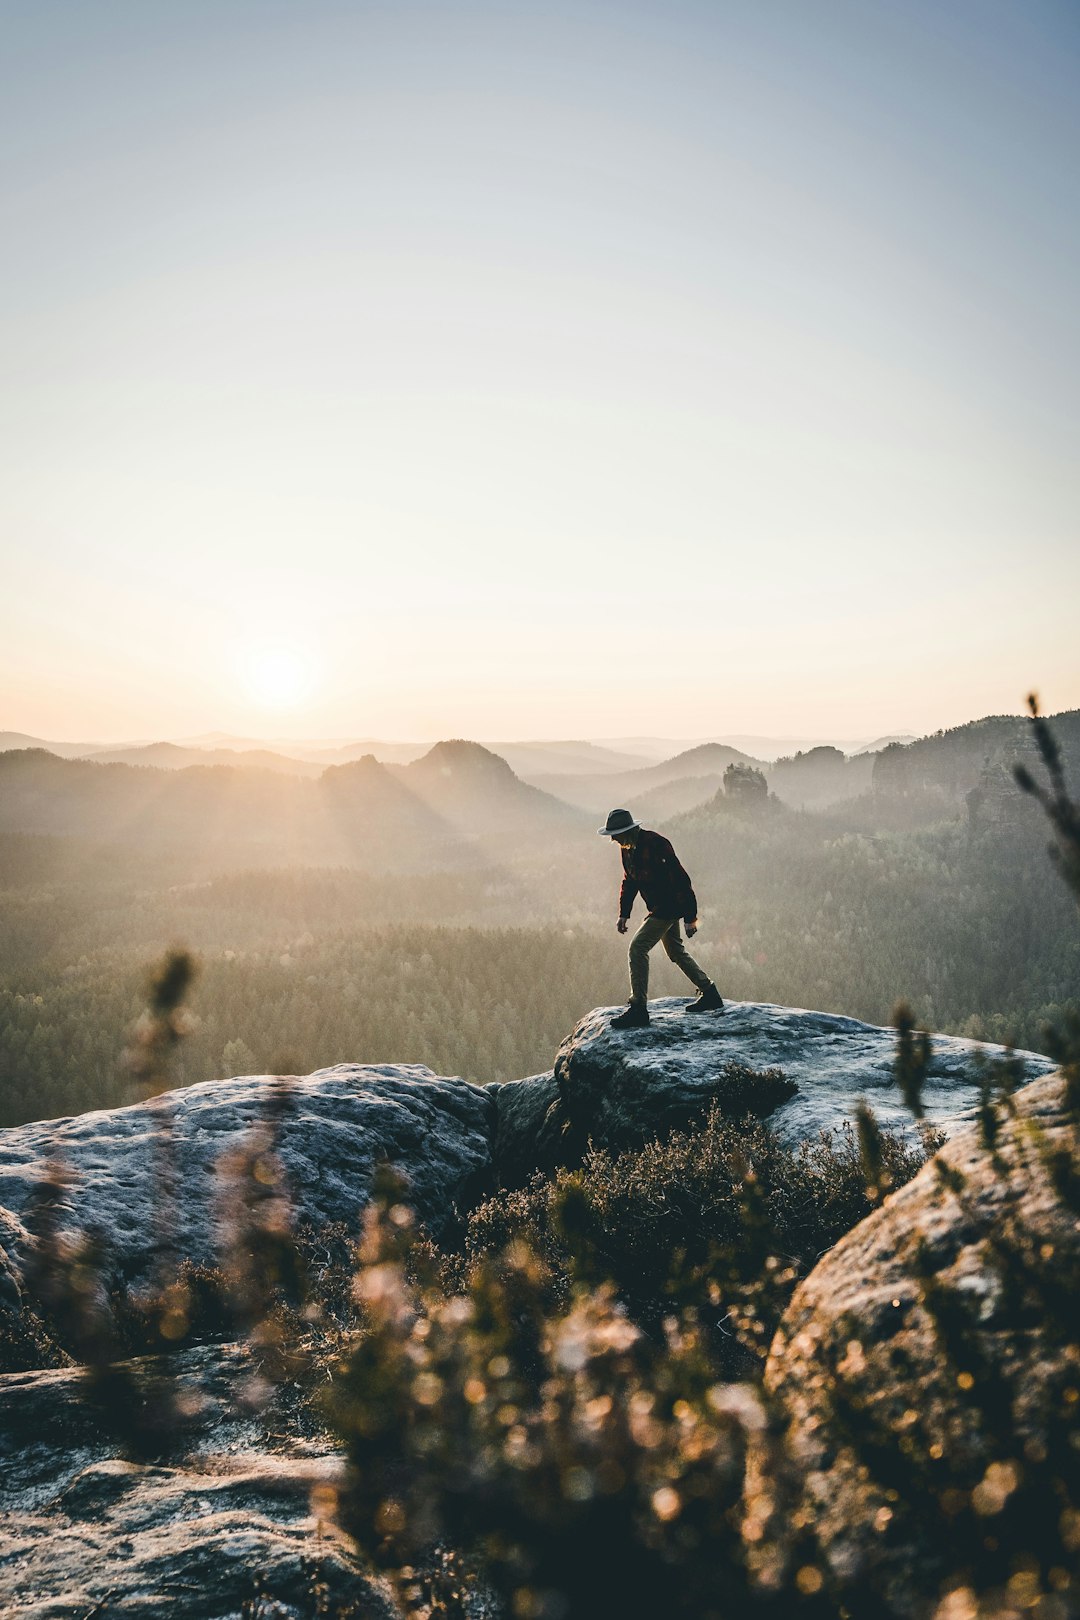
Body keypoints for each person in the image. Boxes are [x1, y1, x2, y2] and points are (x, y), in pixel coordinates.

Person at [598, 807, 724, 1029]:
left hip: (670, 906)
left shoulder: (656, 844)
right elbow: (630, 881)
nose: (613, 840)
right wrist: (624, 914)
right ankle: (710, 992)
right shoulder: (627, 849)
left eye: (615, 835)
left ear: (626, 831)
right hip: (658, 907)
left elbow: (681, 880)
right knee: (675, 951)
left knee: (637, 948)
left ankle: (638, 1009)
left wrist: (690, 917)